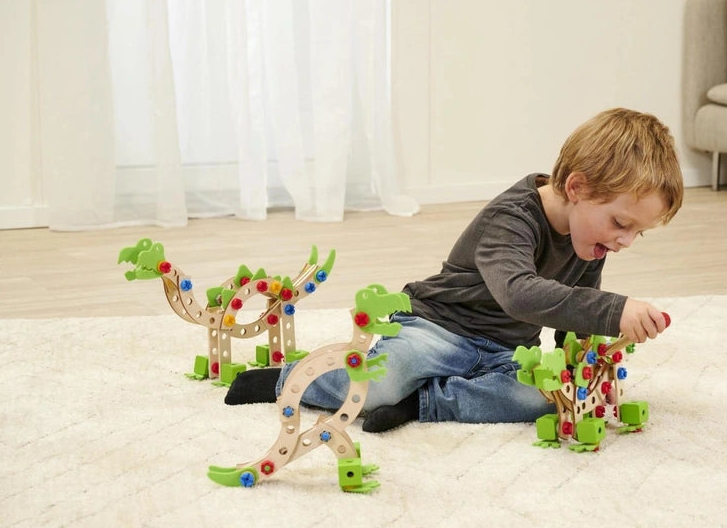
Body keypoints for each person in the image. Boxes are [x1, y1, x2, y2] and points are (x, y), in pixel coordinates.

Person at [225, 108, 684, 431]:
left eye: (636, 234)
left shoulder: (593, 244)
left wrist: (580, 366)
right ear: (577, 187)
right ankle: (290, 378)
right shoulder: (513, 217)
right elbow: (520, 295)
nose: (624, 241)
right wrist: (614, 310)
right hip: (437, 328)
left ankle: (423, 403)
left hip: (505, 351)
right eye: (622, 223)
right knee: (379, 383)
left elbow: (572, 318)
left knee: (544, 400)